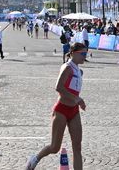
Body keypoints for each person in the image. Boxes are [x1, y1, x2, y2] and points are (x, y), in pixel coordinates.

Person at [26, 41, 88, 170]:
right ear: (73, 54)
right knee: (55, 147)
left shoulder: (79, 71)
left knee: (77, 147)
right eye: (82, 53)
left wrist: (76, 101)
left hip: (74, 111)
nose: (84, 56)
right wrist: (77, 98)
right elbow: (58, 87)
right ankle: (35, 158)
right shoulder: (67, 67)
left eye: (86, 53)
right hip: (61, 110)